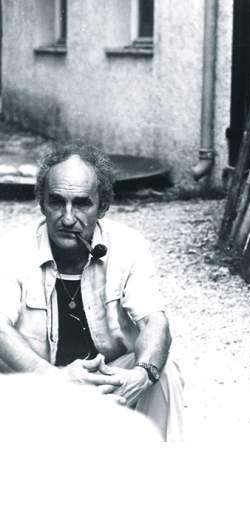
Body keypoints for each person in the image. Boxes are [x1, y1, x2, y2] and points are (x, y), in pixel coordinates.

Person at [0, 142, 184, 441]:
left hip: (105, 380)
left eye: (82, 203)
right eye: (57, 201)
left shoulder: (128, 245)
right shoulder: (12, 248)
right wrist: (53, 380)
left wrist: (140, 375)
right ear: (41, 203)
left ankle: (158, 480)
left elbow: (154, 321)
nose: (68, 218)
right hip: (36, 385)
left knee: (163, 374)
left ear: (103, 206)